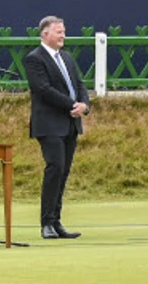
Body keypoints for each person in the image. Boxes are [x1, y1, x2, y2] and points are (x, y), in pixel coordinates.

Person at [23, 14, 89, 240]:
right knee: (55, 167)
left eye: (64, 31)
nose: (63, 35)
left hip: (70, 123)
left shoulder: (67, 58)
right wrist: (72, 104)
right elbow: (43, 89)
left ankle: (56, 220)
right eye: (59, 31)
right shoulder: (34, 59)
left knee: (64, 171)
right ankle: (46, 223)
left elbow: (79, 84)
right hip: (49, 124)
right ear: (45, 34)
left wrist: (84, 106)